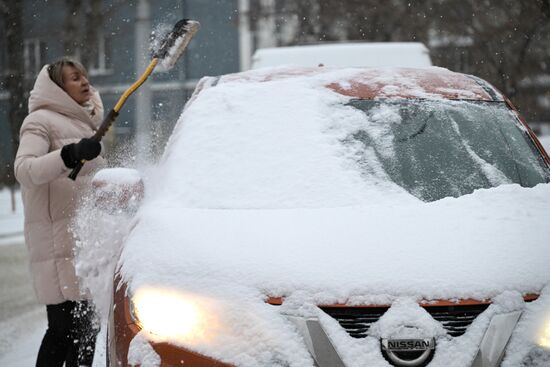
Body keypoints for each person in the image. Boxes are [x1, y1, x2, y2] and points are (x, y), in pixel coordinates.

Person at [14, 57, 105, 367]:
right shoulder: (40, 121)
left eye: (83, 75)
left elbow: (86, 184)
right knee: (64, 331)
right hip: (56, 244)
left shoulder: (86, 122)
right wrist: (69, 154)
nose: (84, 82)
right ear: (57, 88)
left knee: (86, 332)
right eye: (74, 78)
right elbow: (25, 170)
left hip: (83, 244)